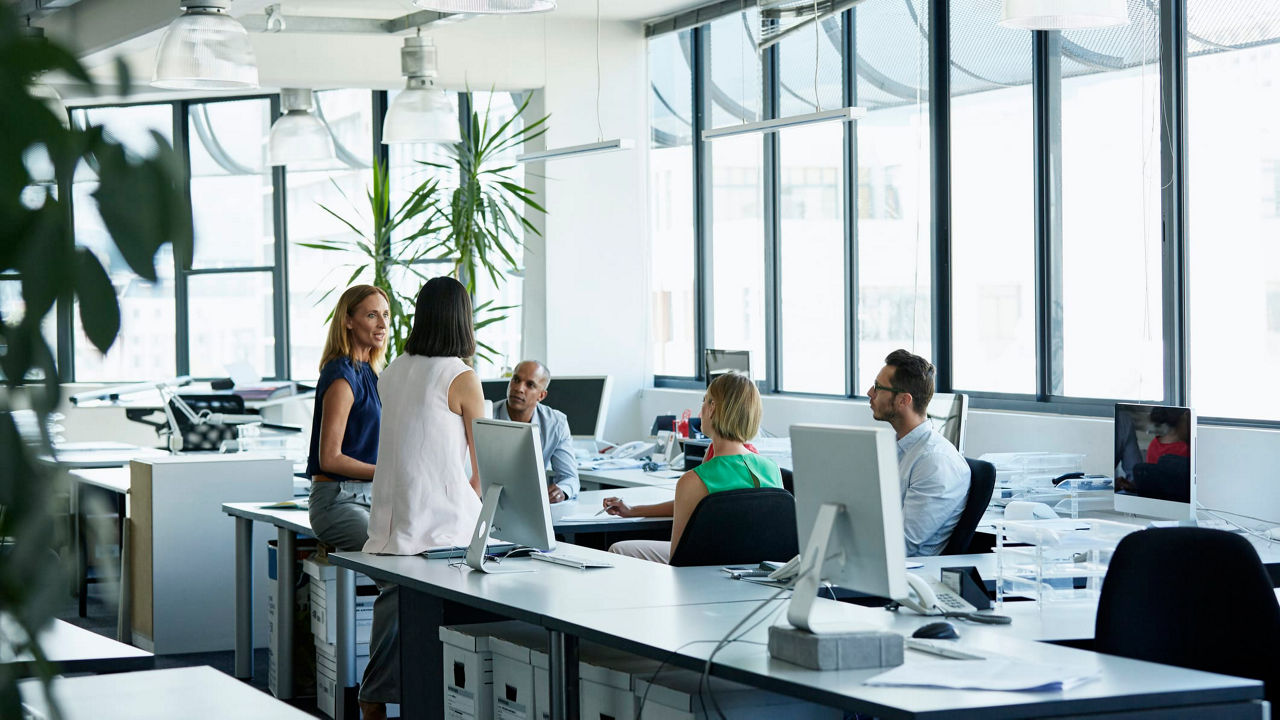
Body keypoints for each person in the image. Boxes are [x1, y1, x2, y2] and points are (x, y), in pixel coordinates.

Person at [359, 276, 487, 720]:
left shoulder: (393, 369)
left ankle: (377, 697)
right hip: (438, 529)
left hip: (392, 525)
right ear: (462, 320)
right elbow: (484, 466)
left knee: (396, 611)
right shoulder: (461, 377)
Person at [605, 372, 782, 564]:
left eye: (704, 401)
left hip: (704, 573)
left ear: (712, 408)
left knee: (618, 549)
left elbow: (679, 557)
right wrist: (633, 510)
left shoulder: (695, 480)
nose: (701, 411)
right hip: (755, 573)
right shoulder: (771, 469)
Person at [306, 284, 388, 554]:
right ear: (348, 321)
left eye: (386, 315)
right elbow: (330, 458)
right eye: (372, 315)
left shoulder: (371, 373)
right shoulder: (342, 374)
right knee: (390, 560)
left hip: (370, 497)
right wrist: (388, 472)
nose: (382, 324)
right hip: (338, 501)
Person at [868, 349, 970, 557]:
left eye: (878, 387)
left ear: (904, 400)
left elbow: (903, 544)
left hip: (908, 577)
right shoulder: (897, 449)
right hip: (869, 562)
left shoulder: (935, 461)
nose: (870, 392)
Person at [492, 359, 580, 503]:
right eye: (516, 380)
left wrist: (562, 491)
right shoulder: (485, 415)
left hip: (531, 504)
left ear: (541, 395)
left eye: (530, 385)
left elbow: (570, 477)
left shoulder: (556, 423)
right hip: (488, 502)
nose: (519, 388)